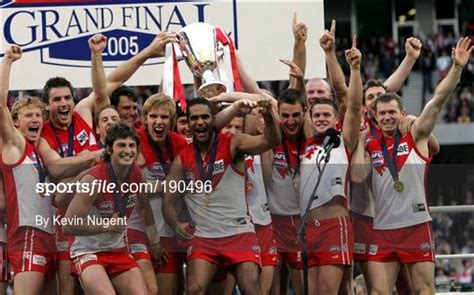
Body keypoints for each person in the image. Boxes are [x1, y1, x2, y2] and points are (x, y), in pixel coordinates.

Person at [352, 37, 472, 294]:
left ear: (402, 112)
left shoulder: (415, 134)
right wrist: (361, 144)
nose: (386, 117)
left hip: (416, 225)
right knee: (378, 292)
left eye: (391, 112)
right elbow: (358, 175)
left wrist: (457, 68)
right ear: (374, 115)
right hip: (382, 229)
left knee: (423, 291)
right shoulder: (369, 144)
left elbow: (437, 101)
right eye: (381, 113)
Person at [1, 45, 99, 295]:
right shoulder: (15, 146)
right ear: (15, 123)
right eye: (28, 116)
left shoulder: (39, 151)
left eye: (38, 115)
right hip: (27, 234)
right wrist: (8, 61)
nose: (35, 119)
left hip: (50, 233)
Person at [163, 97, 280, 295]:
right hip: (203, 237)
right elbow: (168, 202)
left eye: (204, 117)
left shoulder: (234, 143)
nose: (199, 122)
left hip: (239, 232)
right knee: (194, 289)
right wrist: (175, 224)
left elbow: (271, 141)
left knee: (251, 288)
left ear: (214, 120)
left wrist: (268, 116)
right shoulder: (182, 159)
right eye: (194, 118)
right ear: (189, 123)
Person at [62, 122, 161, 294]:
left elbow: (145, 208)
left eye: (132, 145)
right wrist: (107, 226)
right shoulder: (93, 180)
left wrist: (155, 242)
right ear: (109, 149)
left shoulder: (136, 174)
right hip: (88, 251)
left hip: (118, 249)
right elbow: (68, 225)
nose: (128, 150)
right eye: (121, 145)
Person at [297, 37, 362, 294]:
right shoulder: (307, 143)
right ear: (310, 119)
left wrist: (354, 69)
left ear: (336, 118)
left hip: (334, 227)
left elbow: (354, 105)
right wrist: (300, 46)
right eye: (317, 115)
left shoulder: (342, 141)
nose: (321, 118)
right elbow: (299, 94)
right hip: (308, 230)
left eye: (327, 115)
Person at [137, 94, 189, 295]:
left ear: (172, 121)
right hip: (141, 231)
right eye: (153, 116)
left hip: (170, 231)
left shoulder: (181, 144)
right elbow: (135, 191)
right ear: (145, 119)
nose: (159, 122)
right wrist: (169, 184)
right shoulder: (134, 141)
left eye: (164, 117)